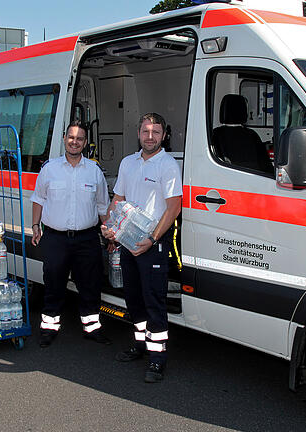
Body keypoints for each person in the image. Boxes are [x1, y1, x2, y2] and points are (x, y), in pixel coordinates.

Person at [101, 112, 182, 383]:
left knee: (153, 301)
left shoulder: (167, 165)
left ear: (164, 135)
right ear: (139, 134)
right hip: (127, 241)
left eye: (156, 132)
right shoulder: (128, 163)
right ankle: (139, 345)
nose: (150, 136)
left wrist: (153, 239)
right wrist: (111, 228)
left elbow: (174, 207)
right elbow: (118, 198)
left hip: (152, 244)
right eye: (146, 131)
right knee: (133, 298)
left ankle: (157, 359)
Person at [30, 121, 111, 348]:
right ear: (64, 138)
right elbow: (38, 199)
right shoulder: (50, 169)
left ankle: (92, 327)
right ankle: (49, 327)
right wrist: (35, 226)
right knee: (53, 282)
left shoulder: (94, 171)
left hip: (87, 238)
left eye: (80, 138)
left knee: (90, 284)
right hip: (55, 238)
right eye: (71, 137)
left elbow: (103, 206)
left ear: (85, 142)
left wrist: (110, 235)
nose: (75, 142)